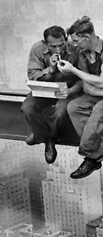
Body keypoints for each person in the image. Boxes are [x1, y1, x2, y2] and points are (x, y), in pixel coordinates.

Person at [57, 16, 103, 179]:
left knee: (100, 109)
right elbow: (87, 86)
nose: (74, 45)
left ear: (86, 37)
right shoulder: (83, 53)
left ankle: (90, 157)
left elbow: (102, 81)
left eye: (76, 41)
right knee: (74, 107)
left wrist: (73, 70)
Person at [22, 24, 83, 164]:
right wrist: (50, 70)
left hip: (67, 90)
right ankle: (44, 136)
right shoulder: (37, 49)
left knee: (61, 112)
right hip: (44, 89)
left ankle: (46, 137)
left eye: (61, 45)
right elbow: (32, 75)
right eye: (53, 46)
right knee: (28, 108)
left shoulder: (75, 48)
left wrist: (70, 91)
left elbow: (83, 78)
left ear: (65, 40)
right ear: (45, 43)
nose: (58, 49)